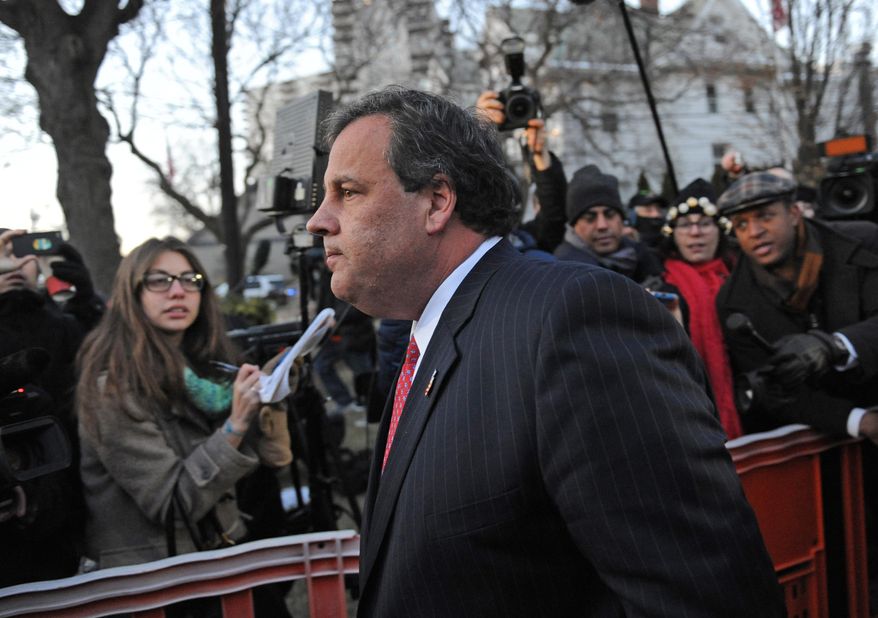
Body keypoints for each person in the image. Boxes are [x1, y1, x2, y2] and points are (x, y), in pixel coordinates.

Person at [305, 86, 783, 617]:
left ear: (437, 201)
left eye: (347, 191)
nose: (318, 221)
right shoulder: (425, 341)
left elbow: (703, 593)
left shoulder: (573, 319)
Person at [76, 238, 291, 574]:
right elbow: (173, 505)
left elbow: (267, 464)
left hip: (220, 554)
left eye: (191, 281)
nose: (178, 292)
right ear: (133, 294)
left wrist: (269, 395)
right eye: (159, 281)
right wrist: (234, 425)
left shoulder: (205, 372)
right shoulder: (113, 391)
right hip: (155, 581)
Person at [715, 172, 878, 439]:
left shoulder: (863, 243)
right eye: (741, 224)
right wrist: (860, 421)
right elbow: (771, 389)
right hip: (830, 436)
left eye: (765, 216)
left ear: (793, 213)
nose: (754, 232)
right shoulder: (732, 302)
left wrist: (835, 345)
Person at [0, 228, 105, 586]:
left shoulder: (66, 325)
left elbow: (111, 368)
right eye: (2, 256)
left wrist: (88, 304)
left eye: (22, 253)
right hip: (14, 519)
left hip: (79, 514)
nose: (13, 265)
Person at [658, 179, 742, 439]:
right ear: (673, 234)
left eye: (704, 223)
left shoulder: (742, 275)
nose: (695, 233)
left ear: (719, 230)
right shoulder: (659, 287)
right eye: (685, 225)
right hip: (691, 414)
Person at [554, 164, 664, 283]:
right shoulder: (566, 275)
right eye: (590, 218)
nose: (602, 225)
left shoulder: (640, 256)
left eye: (609, 215)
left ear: (622, 219)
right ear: (574, 225)